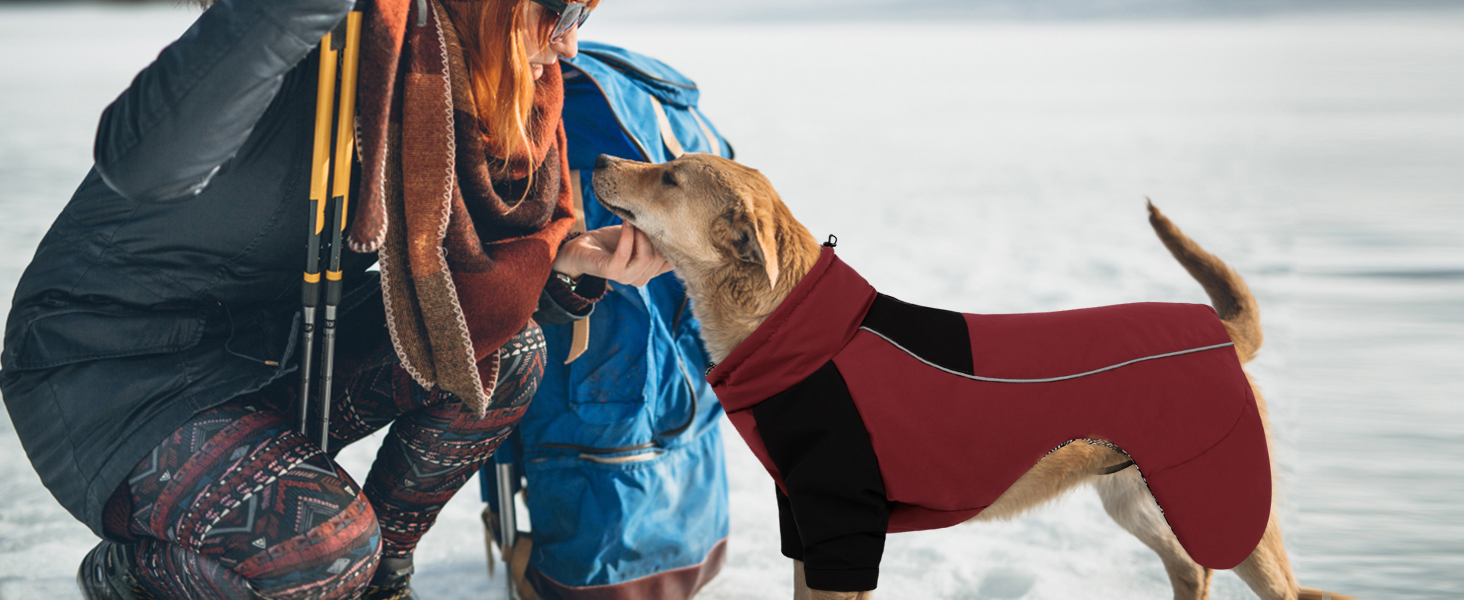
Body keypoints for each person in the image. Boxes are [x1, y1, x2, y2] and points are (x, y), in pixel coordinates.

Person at [0, 0, 668, 598]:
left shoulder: (444, 79)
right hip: (116, 368)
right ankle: (136, 577)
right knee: (324, 553)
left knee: (502, 355)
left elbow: (483, 282)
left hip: (274, 346)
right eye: (564, 12)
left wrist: (569, 258)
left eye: (586, 16)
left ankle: (381, 581)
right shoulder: (330, 38)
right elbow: (139, 162)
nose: (572, 44)